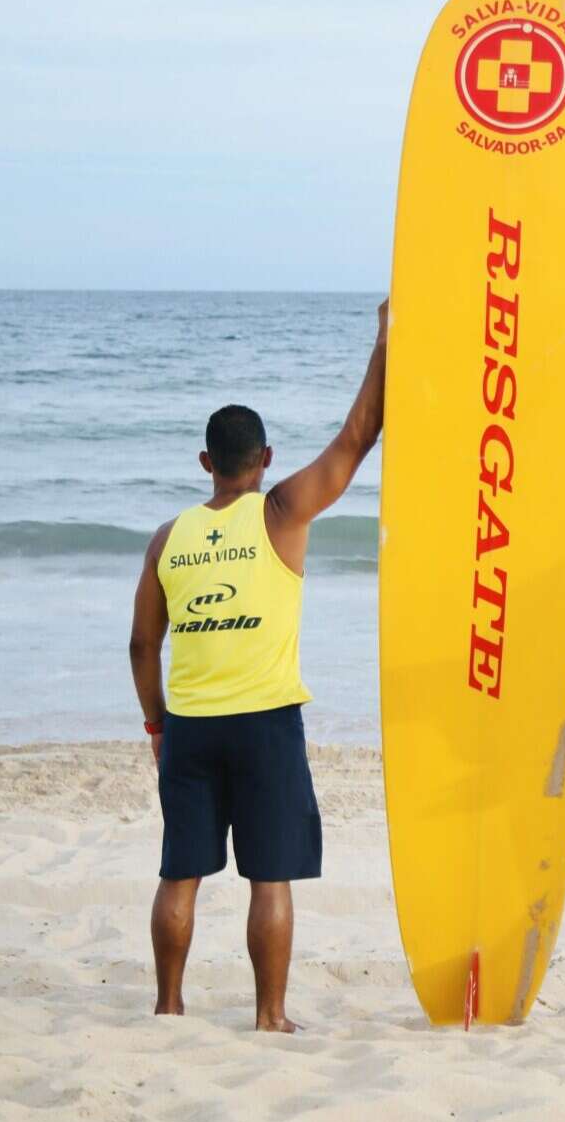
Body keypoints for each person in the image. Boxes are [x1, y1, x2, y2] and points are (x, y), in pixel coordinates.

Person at [128, 299, 388, 1031]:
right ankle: (269, 1016)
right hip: (266, 723)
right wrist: (384, 343)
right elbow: (357, 436)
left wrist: (156, 721)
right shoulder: (280, 513)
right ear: (266, 459)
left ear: (206, 463)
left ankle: (168, 1003)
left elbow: (142, 644)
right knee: (268, 875)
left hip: (190, 725)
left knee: (179, 871)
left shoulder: (166, 538)